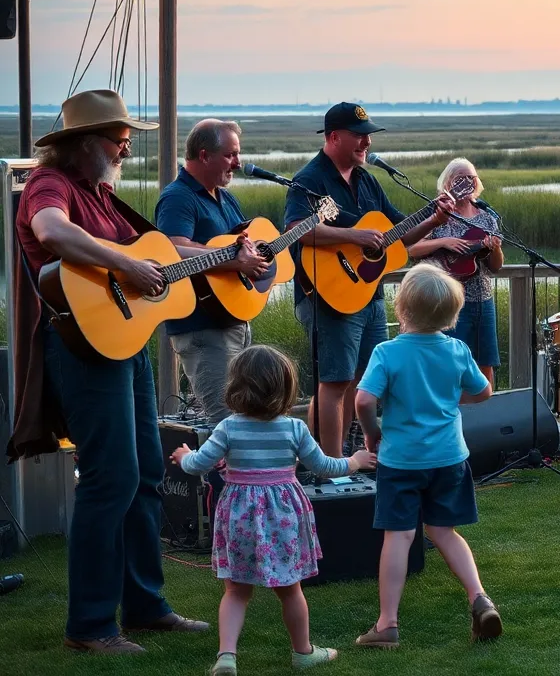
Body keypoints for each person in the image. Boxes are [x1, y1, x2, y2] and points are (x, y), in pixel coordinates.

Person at [14, 89, 208, 653]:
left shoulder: (102, 194)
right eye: (118, 138)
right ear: (85, 143)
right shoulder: (52, 187)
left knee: (146, 472)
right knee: (111, 479)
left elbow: (149, 252)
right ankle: (92, 626)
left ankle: (146, 607)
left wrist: (219, 257)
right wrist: (126, 263)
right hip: (81, 346)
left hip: (126, 342)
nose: (126, 147)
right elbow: (51, 233)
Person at [172, 346, 376, 674]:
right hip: (282, 517)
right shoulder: (293, 429)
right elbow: (323, 466)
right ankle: (303, 652)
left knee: (236, 591)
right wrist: (354, 461)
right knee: (290, 589)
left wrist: (184, 456)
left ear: (237, 386)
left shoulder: (228, 428)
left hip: (240, 515)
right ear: (285, 389)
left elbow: (198, 465)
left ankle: (227, 656)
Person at [285, 102, 452, 457]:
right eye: (359, 136)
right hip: (327, 295)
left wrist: (434, 220)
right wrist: (355, 236)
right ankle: (330, 467)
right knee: (334, 381)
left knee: (366, 379)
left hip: (369, 294)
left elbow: (398, 234)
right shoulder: (310, 179)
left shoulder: (367, 181)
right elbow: (295, 231)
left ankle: (346, 456)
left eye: (368, 137)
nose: (366, 143)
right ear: (334, 137)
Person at [353, 264, 502, 647]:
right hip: (449, 458)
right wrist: (453, 399)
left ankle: (387, 624)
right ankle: (479, 598)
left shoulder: (387, 351)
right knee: (443, 531)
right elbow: (483, 392)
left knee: (399, 536)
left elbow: (365, 399)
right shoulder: (456, 349)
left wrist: (372, 435)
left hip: (402, 462)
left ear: (402, 309)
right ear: (452, 315)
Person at [156, 119, 269, 423]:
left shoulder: (224, 196)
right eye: (231, 155)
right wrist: (235, 260)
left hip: (233, 320)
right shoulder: (178, 196)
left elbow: (243, 249)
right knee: (225, 423)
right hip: (202, 328)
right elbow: (172, 250)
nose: (238, 162)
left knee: (244, 418)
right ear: (204, 155)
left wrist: (256, 262)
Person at [408, 158, 504, 386]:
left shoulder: (487, 216)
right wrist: (444, 242)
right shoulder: (437, 214)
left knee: (484, 361)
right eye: (460, 178)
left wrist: (495, 247)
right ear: (448, 182)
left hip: (482, 299)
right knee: (449, 363)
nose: (466, 182)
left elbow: (496, 267)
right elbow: (411, 248)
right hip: (446, 301)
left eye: (471, 178)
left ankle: (483, 413)